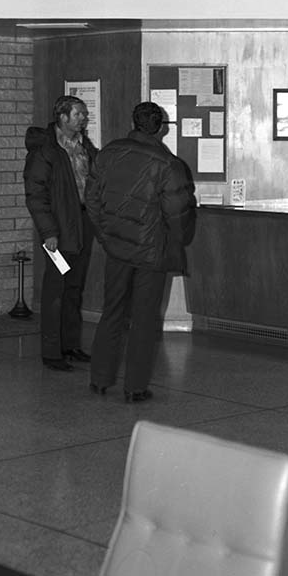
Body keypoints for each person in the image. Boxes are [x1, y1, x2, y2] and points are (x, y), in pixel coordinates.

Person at [86, 101, 197, 402]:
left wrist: (106, 236)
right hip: (151, 253)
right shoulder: (168, 164)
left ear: (134, 123)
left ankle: (99, 378)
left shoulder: (109, 153)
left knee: (112, 312)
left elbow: (92, 201)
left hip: (117, 249)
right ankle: (134, 387)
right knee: (144, 319)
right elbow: (179, 216)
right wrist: (177, 240)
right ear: (160, 127)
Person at [24, 95, 99, 372]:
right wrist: (48, 232)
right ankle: (51, 351)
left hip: (82, 224)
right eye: (78, 114)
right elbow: (36, 195)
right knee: (56, 290)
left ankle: (71, 345)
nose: (84, 118)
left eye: (84, 114)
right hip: (58, 230)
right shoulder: (45, 150)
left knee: (74, 288)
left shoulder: (84, 146)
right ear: (63, 117)